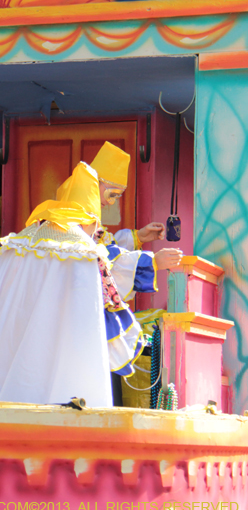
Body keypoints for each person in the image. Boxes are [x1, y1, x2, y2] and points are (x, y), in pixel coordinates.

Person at [0, 164, 116, 407]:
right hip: (53, 360)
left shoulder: (18, 242)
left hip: (3, 354)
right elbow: (86, 323)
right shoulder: (83, 253)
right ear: (90, 220)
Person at [86, 142, 183, 403]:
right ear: (98, 184)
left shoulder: (88, 217)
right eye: (113, 194)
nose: (112, 202)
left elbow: (109, 249)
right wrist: (152, 263)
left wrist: (138, 237)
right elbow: (106, 268)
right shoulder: (76, 218)